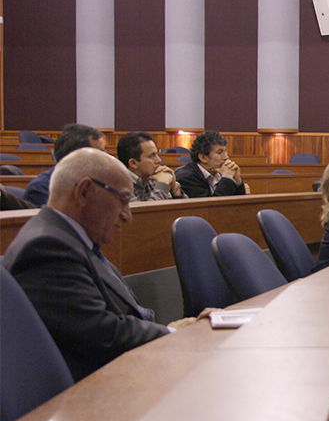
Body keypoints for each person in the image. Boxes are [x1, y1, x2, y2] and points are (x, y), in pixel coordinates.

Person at [1, 148, 199, 382]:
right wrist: (173, 333)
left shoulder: (68, 238)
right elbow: (100, 334)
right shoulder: (47, 247)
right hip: (92, 396)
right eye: (123, 199)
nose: (127, 216)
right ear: (84, 192)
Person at [24, 123, 107, 207]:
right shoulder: (41, 188)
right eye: (98, 154)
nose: (104, 159)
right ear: (76, 156)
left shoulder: (100, 183)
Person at [117, 131, 187, 201]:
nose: (159, 160)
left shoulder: (153, 178)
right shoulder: (119, 185)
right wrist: (163, 184)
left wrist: (174, 189)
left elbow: (186, 211)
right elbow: (145, 211)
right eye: (152, 156)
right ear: (133, 163)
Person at [175, 130, 245, 198]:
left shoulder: (218, 171)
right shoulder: (186, 178)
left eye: (225, 152)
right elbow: (211, 207)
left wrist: (237, 181)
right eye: (219, 153)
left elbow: (240, 206)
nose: (226, 157)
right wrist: (227, 178)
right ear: (203, 157)